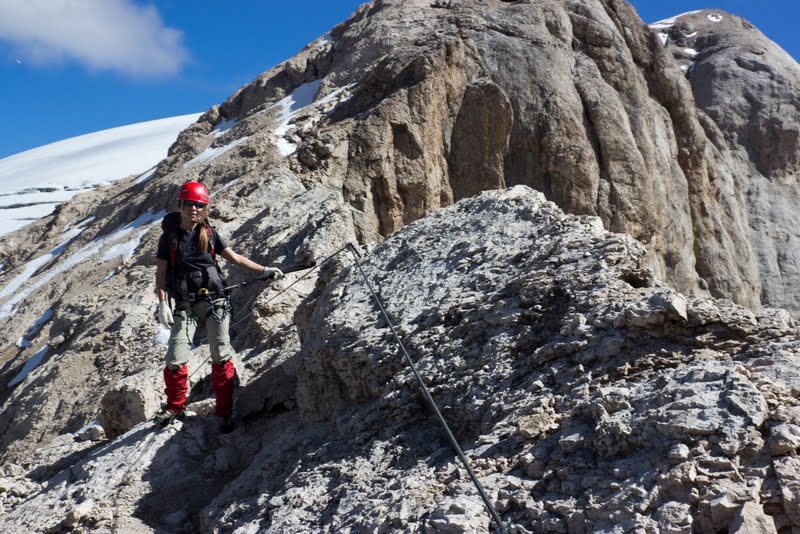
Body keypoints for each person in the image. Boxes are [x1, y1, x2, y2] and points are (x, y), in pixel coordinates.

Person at [154, 181, 283, 432]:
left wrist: (265, 270)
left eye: (199, 206)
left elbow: (235, 259)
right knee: (175, 358)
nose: (194, 209)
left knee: (221, 355)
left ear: (204, 208)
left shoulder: (209, 233)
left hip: (216, 302)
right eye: (190, 204)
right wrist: (162, 304)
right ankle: (175, 406)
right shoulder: (168, 238)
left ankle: (224, 413)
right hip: (185, 306)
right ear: (180, 204)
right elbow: (161, 273)